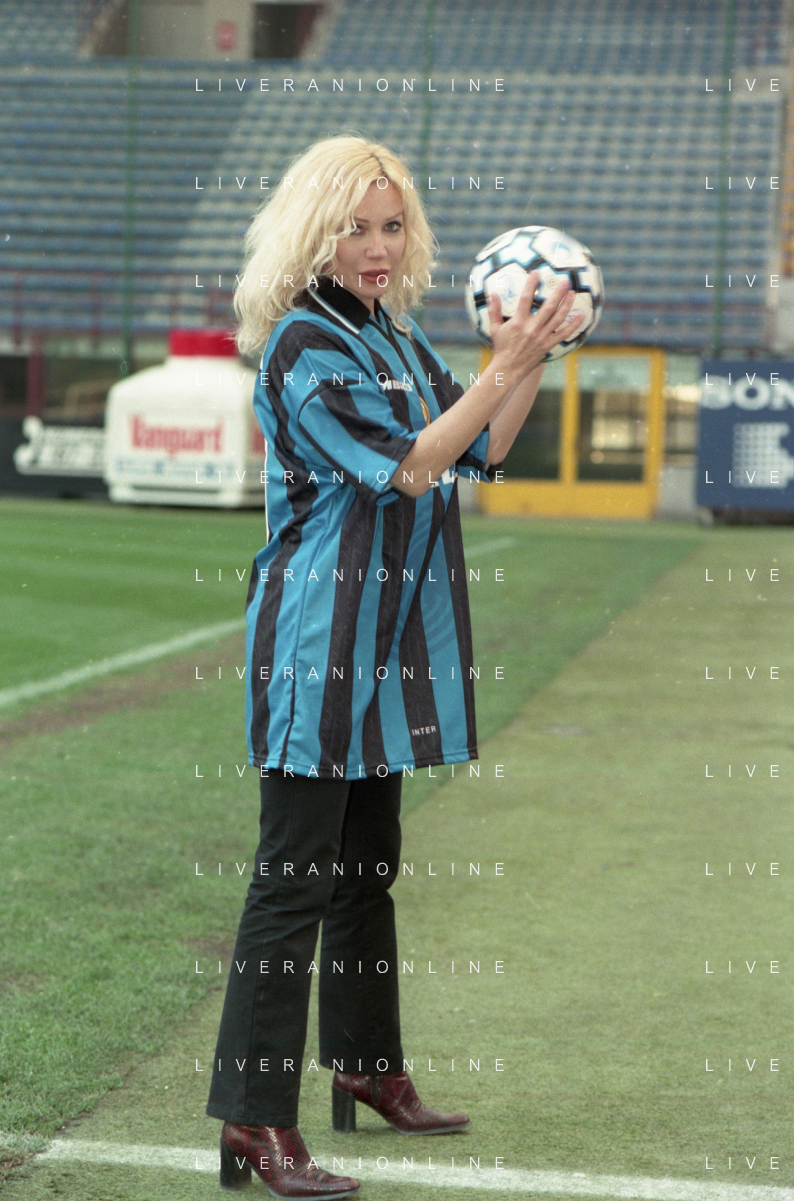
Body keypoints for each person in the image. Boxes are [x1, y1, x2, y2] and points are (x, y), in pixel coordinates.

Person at [206, 135, 582, 1199]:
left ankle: (367, 1065)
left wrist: (526, 357)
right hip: (317, 643)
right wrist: (503, 367)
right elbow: (412, 469)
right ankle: (253, 1119)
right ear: (312, 234)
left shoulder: (397, 335)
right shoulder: (301, 343)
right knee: (292, 880)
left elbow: (480, 448)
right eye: (355, 227)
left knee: (367, 865)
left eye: (391, 225)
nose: (377, 246)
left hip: (388, 642)